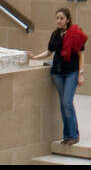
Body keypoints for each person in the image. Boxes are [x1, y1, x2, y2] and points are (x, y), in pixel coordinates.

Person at [26, 8, 86, 145]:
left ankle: (74, 135)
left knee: (67, 103)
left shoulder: (75, 34)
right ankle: (67, 136)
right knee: (63, 105)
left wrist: (81, 74)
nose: (59, 21)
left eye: (61, 18)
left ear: (68, 20)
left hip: (71, 72)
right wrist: (35, 57)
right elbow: (49, 51)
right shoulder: (55, 34)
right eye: (57, 18)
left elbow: (81, 54)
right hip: (57, 73)